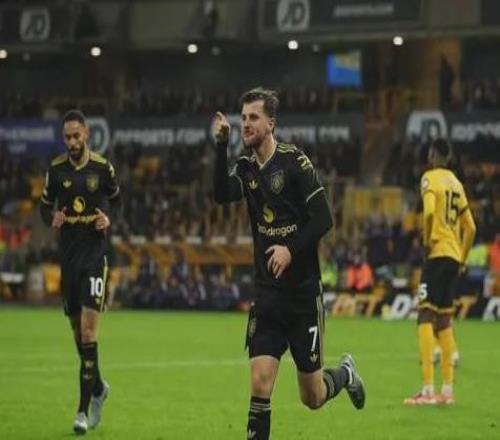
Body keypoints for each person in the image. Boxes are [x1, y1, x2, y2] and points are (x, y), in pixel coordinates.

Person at [213, 87, 365, 440]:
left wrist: (290, 250)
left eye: (253, 117)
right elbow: (221, 195)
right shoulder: (246, 167)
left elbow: (324, 218)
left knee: (312, 396)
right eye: (243, 118)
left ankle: (344, 374)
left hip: (302, 296)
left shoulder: (295, 162)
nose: (246, 124)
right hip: (267, 294)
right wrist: (220, 146)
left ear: (271, 123)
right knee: (260, 382)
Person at [40, 110, 121, 433]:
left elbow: (116, 200)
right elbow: (44, 206)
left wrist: (108, 218)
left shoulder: (102, 168)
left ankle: (82, 412)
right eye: (67, 137)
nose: (72, 142)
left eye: (76, 136)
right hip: (69, 261)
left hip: (95, 258)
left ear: (86, 133)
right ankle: (98, 387)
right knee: (77, 334)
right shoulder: (56, 170)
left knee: (89, 334)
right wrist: (51, 218)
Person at [405, 138, 475, 406]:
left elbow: (430, 213)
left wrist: (427, 241)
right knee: (444, 320)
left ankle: (426, 389)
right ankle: (447, 391)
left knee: (425, 315)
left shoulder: (429, 178)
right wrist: (463, 258)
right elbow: (471, 227)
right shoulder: (456, 183)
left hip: (436, 254)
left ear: (432, 155)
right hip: (454, 256)